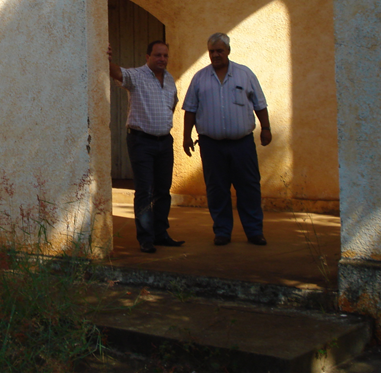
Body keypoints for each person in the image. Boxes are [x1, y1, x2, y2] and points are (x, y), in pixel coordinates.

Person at [181, 33, 272, 246]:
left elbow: (260, 104)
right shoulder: (199, 78)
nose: (215, 55)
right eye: (212, 51)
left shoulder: (245, 74)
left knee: (249, 187)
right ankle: (222, 231)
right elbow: (190, 110)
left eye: (219, 50)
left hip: (242, 144)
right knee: (216, 188)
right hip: (211, 145)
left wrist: (266, 128)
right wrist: (186, 137)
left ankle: (254, 231)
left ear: (228, 51)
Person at [108, 41, 184, 253]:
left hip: (164, 142)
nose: (162, 59)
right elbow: (115, 72)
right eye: (158, 55)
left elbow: (172, 104)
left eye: (165, 56)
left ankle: (161, 234)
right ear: (147, 56)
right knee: (144, 191)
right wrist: (106, 58)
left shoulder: (169, 80)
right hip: (141, 141)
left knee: (163, 190)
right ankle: (146, 238)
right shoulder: (137, 76)